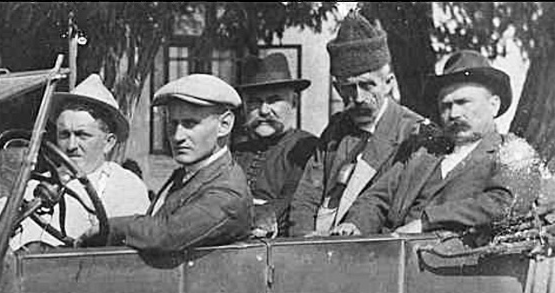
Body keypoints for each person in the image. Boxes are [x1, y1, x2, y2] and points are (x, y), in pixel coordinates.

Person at [336, 51, 540, 237]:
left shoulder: (513, 151)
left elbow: (504, 204)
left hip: (452, 260)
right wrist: (355, 224)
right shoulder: (424, 152)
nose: (454, 114)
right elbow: (378, 197)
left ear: (493, 105)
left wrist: (427, 222)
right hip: (389, 253)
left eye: (463, 102)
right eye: (446, 106)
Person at [288, 10, 428, 236]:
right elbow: (307, 193)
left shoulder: (412, 133)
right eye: (348, 88)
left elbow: (389, 202)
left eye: (367, 85)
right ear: (337, 89)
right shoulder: (336, 129)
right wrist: (303, 237)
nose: (359, 97)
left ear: (388, 83)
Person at [79, 74, 251, 254]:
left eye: (190, 124)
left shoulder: (227, 192)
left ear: (224, 125)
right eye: (172, 123)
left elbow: (166, 234)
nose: (177, 136)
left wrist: (110, 228)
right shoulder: (188, 174)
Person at [0, 73, 150, 246]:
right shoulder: (39, 185)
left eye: (82, 135)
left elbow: (127, 251)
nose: (71, 145)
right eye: (65, 135)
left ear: (108, 143)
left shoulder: (125, 186)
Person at [231, 52, 318, 237]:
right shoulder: (236, 152)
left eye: (273, 100)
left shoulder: (305, 147)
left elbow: (292, 198)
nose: (264, 110)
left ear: (294, 102)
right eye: (254, 102)